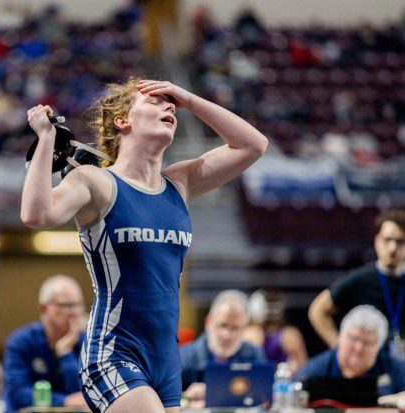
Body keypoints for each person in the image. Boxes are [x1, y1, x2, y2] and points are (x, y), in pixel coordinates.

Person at [21, 78, 268, 412]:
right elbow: (36, 215)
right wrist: (45, 140)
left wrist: (189, 99)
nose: (169, 107)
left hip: (166, 361)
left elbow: (253, 145)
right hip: (114, 352)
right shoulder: (96, 182)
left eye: (171, 104)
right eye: (155, 102)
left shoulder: (179, 183)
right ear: (123, 120)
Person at [309, 209, 405, 359]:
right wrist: (340, 347)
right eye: (387, 240)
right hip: (369, 368)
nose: (392, 248)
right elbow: (317, 310)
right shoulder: (359, 279)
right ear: (377, 241)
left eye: (400, 241)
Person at [3, 275, 88, 412]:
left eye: (79, 305)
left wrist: (65, 353)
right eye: (67, 305)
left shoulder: (86, 343)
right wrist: (65, 401)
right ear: (43, 307)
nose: (75, 312)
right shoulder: (21, 341)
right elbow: (18, 394)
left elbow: (83, 396)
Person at [295, 305, 405, 402]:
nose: (358, 348)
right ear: (340, 337)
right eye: (353, 339)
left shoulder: (394, 369)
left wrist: (386, 401)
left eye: (367, 343)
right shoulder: (316, 369)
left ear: (378, 346)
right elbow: (290, 396)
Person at [180, 290, 264, 408]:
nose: (227, 335)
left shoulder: (254, 355)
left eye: (235, 328)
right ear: (208, 322)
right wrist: (187, 398)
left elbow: (264, 399)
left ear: (244, 328)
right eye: (223, 325)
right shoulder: (183, 358)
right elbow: (161, 403)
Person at [244, 289, 307, 374]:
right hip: (272, 381)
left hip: (280, 382)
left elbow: (303, 369)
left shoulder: (290, 335)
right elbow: (305, 370)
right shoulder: (252, 333)